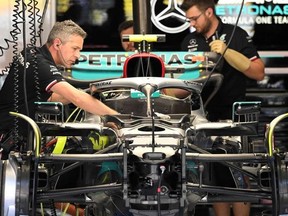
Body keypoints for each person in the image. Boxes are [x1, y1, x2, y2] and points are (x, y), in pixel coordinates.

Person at [177, 0, 265, 216]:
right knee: (214, 178)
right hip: (202, 120)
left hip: (235, 118)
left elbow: (258, 72)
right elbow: (182, 85)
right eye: (189, 19)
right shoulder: (189, 41)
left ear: (209, 12)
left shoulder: (235, 34)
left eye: (195, 18)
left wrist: (227, 52)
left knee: (239, 176)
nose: (192, 23)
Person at [0, 20, 118, 152]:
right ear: (57, 44)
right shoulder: (40, 64)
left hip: (18, 136)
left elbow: (51, 98)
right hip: (6, 138)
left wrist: (84, 93)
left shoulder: (33, 54)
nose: (77, 56)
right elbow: (76, 98)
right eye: (75, 49)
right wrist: (117, 118)